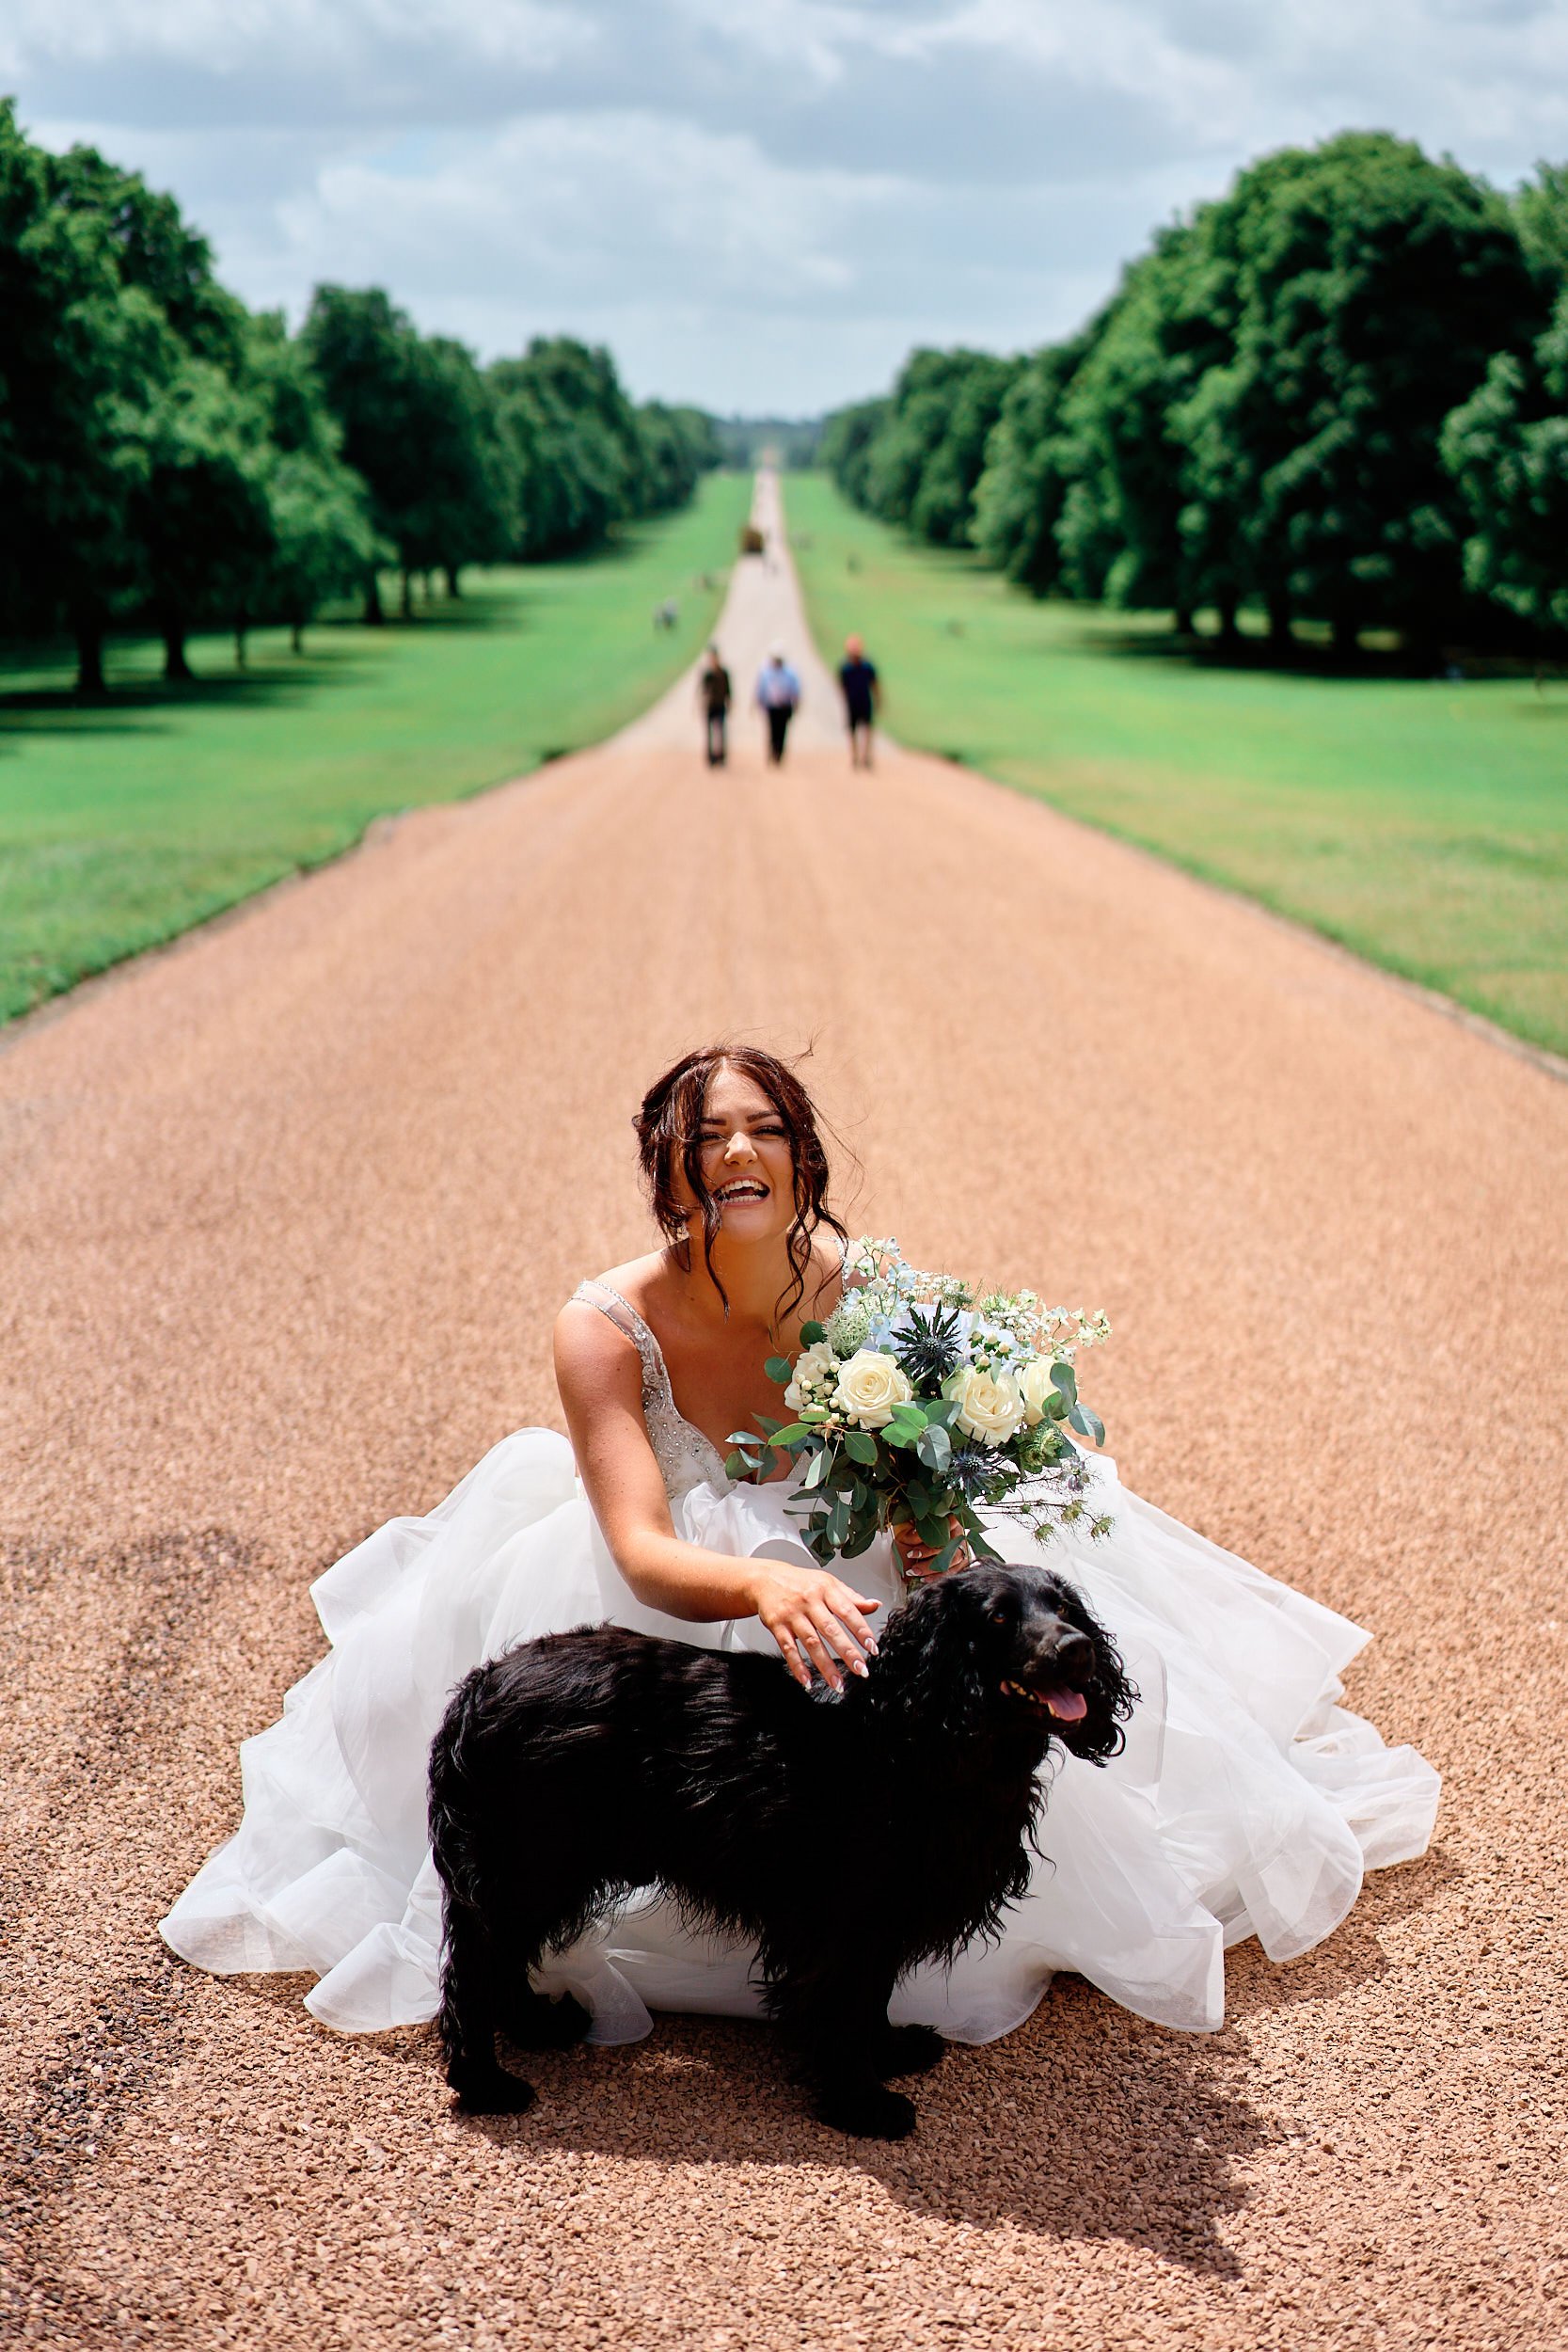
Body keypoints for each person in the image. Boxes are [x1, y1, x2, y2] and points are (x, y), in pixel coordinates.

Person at [161, 1045, 1438, 2054]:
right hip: (685, 1581)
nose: (736, 1150)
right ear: (667, 1172)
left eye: (763, 1128)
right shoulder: (603, 1325)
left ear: (801, 1156)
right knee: (602, 1782)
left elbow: (924, 1494)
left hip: (852, 1556)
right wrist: (765, 1579)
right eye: (705, 1135)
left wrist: (933, 1546)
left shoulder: (870, 1293)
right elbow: (640, 1547)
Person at [838, 634, 879, 769]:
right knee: (852, 731)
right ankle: (855, 756)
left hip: (865, 701)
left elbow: (874, 684)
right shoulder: (845, 667)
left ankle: (865, 756)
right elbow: (842, 685)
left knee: (868, 730)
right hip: (852, 703)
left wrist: (878, 699)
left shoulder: (867, 666)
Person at [754, 648, 801, 765]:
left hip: (785, 706)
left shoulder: (789, 673)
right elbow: (761, 688)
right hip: (772, 707)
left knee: (782, 731)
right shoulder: (766, 672)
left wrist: (796, 702)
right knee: (772, 730)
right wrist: (759, 702)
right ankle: (772, 751)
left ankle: (779, 754)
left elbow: (795, 689)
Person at [698, 644, 731, 767]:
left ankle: (721, 756)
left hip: (720, 704)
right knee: (710, 733)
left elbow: (728, 689)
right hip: (710, 706)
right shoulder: (708, 674)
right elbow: (703, 690)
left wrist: (729, 701)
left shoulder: (723, 673)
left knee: (721, 732)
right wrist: (702, 702)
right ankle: (711, 757)